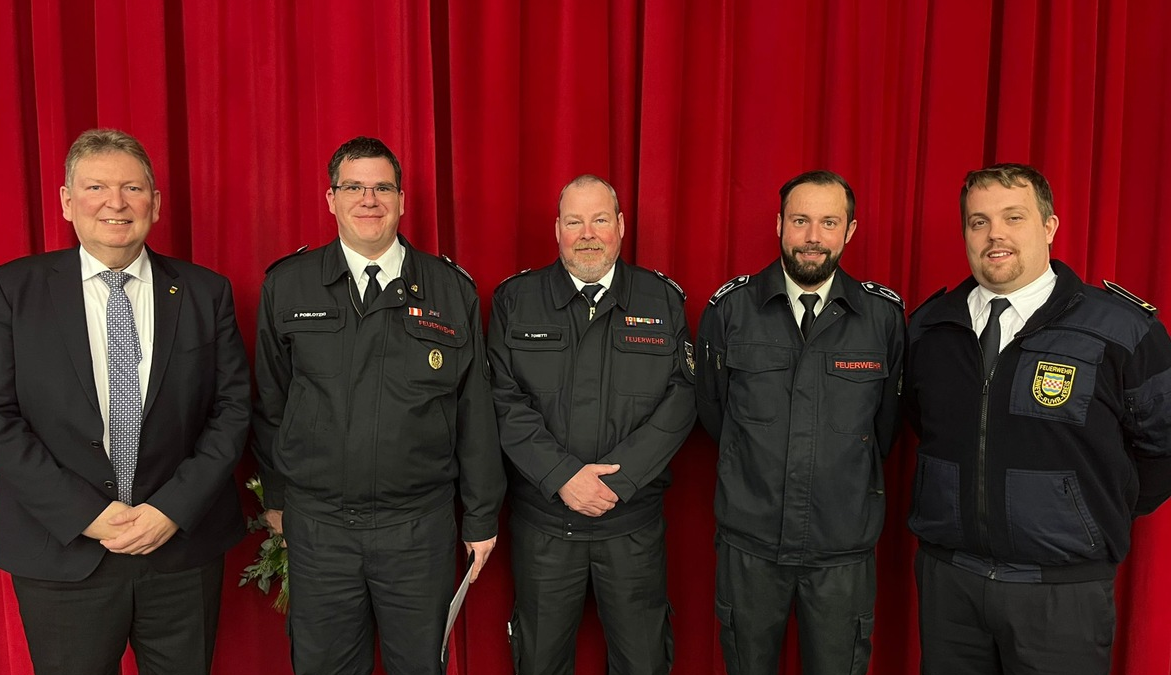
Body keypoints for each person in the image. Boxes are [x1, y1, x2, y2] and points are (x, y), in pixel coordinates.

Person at [0, 129, 251, 674]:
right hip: (62, 551)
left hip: (178, 553)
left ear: (156, 202)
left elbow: (233, 409)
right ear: (66, 201)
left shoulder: (205, 292)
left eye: (133, 188)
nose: (115, 203)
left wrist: (171, 508)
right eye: (96, 186)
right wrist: (87, 515)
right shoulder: (13, 289)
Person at [251, 136, 506, 675]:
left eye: (382, 187)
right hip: (320, 530)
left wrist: (481, 516)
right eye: (354, 187)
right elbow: (270, 401)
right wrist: (277, 498)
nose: (369, 200)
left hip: (417, 530)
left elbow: (474, 414)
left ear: (402, 199)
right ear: (331, 199)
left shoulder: (450, 289)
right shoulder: (288, 285)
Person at [904, 163, 1171, 675]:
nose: (994, 234)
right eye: (978, 221)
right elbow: (925, 424)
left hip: (1061, 593)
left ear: (1049, 227)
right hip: (950, 586)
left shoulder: (1120, 330)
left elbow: (1162, 446)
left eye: (1013, 217)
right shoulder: (930, 328)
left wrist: (1087, 509)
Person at [695, 170, 905, 675]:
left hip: (842, 549)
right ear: (779, 225)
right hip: (751, 545)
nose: (813, 237)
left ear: (850, 231)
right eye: (800, 220)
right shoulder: (731, 310)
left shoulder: (883, 316)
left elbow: (885, 429)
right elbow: (714, 415)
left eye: (829, 222)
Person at [488, 174, 695, 675]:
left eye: (600, 219)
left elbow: (683, 399)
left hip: (630, 527)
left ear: (621, 226)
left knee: (643, 661)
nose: (588, 233)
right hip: (544, 528)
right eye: (574, 221)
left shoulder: (661, 300)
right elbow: (500, 400)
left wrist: (616, 483)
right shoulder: (515, 300)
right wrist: (562, 476)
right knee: (538, 662)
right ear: (557, 229)